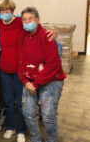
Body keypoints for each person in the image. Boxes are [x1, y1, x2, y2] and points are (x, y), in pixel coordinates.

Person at [0, 0, 57, 142]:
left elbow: (38, 30)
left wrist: (54, 32)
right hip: (4, 70)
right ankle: (10, 127)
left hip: (20, 71)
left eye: (8, 10)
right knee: (9, 102)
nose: (5, 13)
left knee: (22, 103)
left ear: (12, 11)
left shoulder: (20, 23)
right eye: (2, 11)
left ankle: (21, 130)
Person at [18, 7, 66, 142]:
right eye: (24, 19)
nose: (27, 22)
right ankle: (36, 139)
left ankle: (51, 140)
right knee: (27, 113)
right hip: (30, 80)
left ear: (38, 20)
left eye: (30, 19)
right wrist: (25, 81)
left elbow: (53, 65)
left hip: (51, 80)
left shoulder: (47, 36)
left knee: (48, 115)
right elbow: (20, 61)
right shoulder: (22, 35)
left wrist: (35, 83)